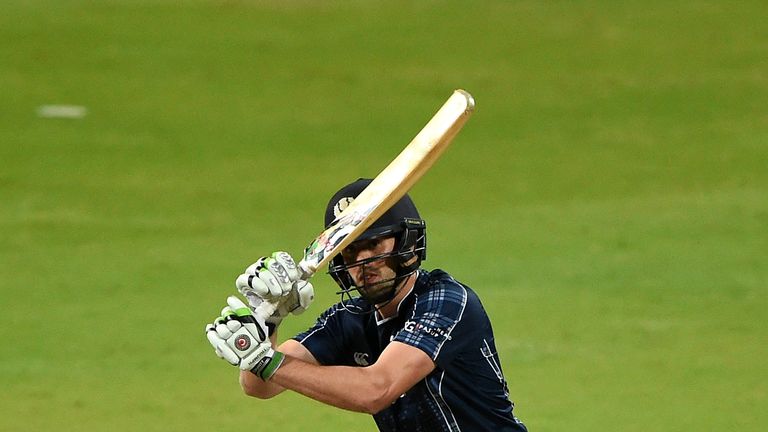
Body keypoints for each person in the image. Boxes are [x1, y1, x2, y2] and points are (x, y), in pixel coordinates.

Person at [205, 178, 527, 431]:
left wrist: (267, 360)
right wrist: (269, 321)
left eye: (373, 244)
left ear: (407, 243)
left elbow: (376, 390)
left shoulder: (447, 301)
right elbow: (258, 386)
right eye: (350, 251)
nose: (362, 262)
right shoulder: (350, 319)